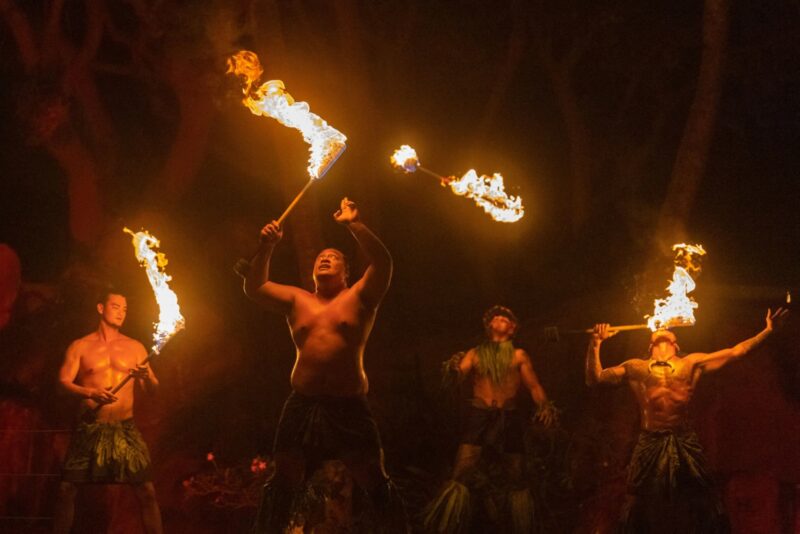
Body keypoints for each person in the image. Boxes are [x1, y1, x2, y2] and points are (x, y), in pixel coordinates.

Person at [243, 197, 407, 533]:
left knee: (373, 477)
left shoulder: (361, 297)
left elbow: (384, 261)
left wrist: (353, 224)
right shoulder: (297, 299)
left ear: (346, 273)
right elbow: (255, 287)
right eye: (320, 257)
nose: (325, 259)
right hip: (302, 402)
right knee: (284, 476)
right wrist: (267, 247)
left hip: (348, 403)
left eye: (333, 258)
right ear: (312, 271)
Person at [586, 308, 788, 533]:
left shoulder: (692, 364)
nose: (663, 328)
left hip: (683, 437)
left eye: (668, 331)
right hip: (651, 438)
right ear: (649, 345)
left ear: (676, 344)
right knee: (637, 497)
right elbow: (595, 380)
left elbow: (736, 352)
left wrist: (767, 331)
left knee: (705, 494)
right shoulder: (636, 367)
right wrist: (596, 343)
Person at [424, 305, 557, 534]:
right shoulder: (475, 353)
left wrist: (545, 406)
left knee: (515, 473)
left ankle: (518, 525)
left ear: (512, 328)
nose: (499, 318)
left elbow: (534, 386)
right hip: (480, 414)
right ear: (488, 326)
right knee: (462, 469)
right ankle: (447, 524)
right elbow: (457, 377)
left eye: (505, 318)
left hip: (509, 416)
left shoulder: (518, 355)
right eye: (495, 317)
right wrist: (453, 370)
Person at [54, 289, 161, 534]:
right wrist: (91, 393)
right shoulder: (80, 346)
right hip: (91, 426)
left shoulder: (135, 347)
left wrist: (147, 377)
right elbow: (62, 383)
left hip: (125, 428)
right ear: (101, 308)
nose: (121, 313)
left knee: (146, 490)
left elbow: (153, 390)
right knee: (66, 489)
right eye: (116, 306)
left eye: (125, 309)